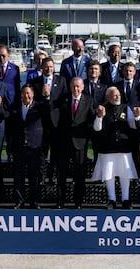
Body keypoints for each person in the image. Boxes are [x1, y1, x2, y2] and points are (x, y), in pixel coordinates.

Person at [92, 86, 140, 209]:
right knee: (109, 174)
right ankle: (112, 199)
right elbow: (97, 128)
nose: (118, 96)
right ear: (108, 97)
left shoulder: (126, 108)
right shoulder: (102, 108)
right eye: (115, 95)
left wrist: (136, 117)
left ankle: (125, 199)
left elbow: (133, 126)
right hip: (107, 148)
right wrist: (99, 117)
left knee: (125, 173)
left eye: (119, 94)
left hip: (123, 147)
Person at [7, 84, 51, 209]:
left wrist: (47, 96)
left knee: (34, 176)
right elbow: (10, 128)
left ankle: (34, 201)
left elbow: (48, 111)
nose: (26, 96)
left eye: (28, 93)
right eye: (24, 93)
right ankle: (19, 201)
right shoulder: (15, 107)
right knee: (18, 176)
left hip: (34, 146)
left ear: (32, 94)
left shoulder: (39, 106)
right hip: (19, 146)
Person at [54, 77, 94, 209]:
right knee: (62, 174)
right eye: (73, 86)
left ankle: (78, 202)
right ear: (70, 87)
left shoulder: (88, 101)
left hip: (80, 143)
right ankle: (60, 201)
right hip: (64, 142)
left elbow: (91, 120)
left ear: (83, 87)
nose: (76, 89)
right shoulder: (63, 100)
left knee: (79, 174)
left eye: (78, 86)